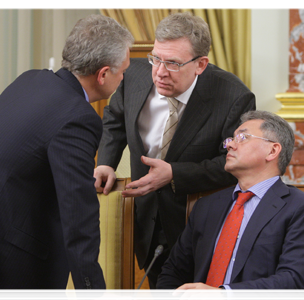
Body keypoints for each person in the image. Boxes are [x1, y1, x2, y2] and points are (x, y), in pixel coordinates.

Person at [0, 15, 134, 300]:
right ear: (103, 74)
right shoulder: (79, 117)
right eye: (122, 71)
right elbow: (78, 211)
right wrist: (94, 292)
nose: (124, 78)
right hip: (5, 263)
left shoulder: (31, 80)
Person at [94, 12, 255, 296]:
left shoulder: (233, 97)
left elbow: (234, 165)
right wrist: (106, 162)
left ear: (201, 64)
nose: (160, 72)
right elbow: (115, 119)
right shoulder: (133, 77)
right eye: (156, 58)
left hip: (198, 225)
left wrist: (174, 174)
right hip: (144, 220)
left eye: (173, 63)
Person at [155, 110, 304, 300]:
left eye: (242, 137)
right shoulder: (206, 206)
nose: (229, 144)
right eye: (230, 139)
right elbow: (173, 272)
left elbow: (293, 281)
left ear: (272, 151)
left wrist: (223, 294)